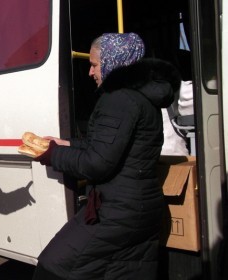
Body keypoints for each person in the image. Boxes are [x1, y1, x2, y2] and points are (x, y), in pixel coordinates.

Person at [31, 33, 181, 279]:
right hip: (140, 209)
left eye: (94, 64)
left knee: (52, 266)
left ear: (114, 61)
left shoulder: (118, 99)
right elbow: (104, 144)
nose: (90, 72)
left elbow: (97, 163)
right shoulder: (143, 97)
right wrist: (65, 143)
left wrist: (52, 154)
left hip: (117, 212)